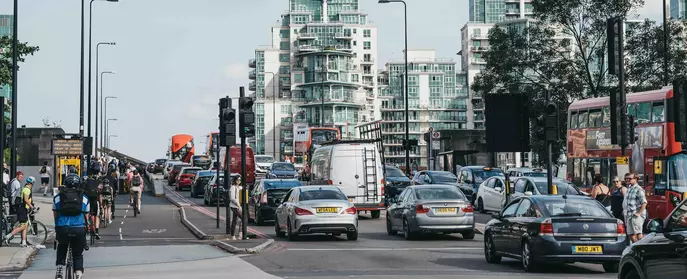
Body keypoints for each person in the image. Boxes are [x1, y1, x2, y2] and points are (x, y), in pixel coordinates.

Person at [53, 174, 89, 279]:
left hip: (62, 227)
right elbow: (86, 214)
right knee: (77, 253)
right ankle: (78, 274)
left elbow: (55, 213)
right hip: (78, 228)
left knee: (62, 247)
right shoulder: (84, 198)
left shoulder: (58, 197)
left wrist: (57, 225)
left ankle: (59, 269)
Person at [4, 176, 35, 246]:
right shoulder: (27, 190)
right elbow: (26, 200)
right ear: (32, 183)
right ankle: (8, 236)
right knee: (23, 226)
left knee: (25, 225)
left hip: (23, 208)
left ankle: (23, 242)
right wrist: (32, 207)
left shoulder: (25, 188)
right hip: (22, 209)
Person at [622, 173, 648, 243]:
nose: (627, 180)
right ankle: (635, 247)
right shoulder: (629, 188)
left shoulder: (639, 189)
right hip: (628, 215)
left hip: (635, 215)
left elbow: (644, 202)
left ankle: (642, 247)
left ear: (635, 179)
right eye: (626, 178)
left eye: (629, 178)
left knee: (638, 233)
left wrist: (638, 213)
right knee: (630, 233)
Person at [83, 175, 101, 240]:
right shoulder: (97, 183)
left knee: (86, 213)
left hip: (87, 200)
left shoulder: (85, 184)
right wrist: (101, 205)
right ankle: (96, 231)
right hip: (94, 201)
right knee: (96, 216)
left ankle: (87, 225)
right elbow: (99, 195)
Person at [229, 175, 242, 240]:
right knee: (244, 219)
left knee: (234, 220)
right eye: (237, 180)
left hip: (239, 206)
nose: (239, 181)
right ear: (235, 180)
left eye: (240, 180)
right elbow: (232, 198)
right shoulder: (233, 187)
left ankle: (233, 236)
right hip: (234, 206)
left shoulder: (240, 187)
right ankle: (240, 235)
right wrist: (238, 204)